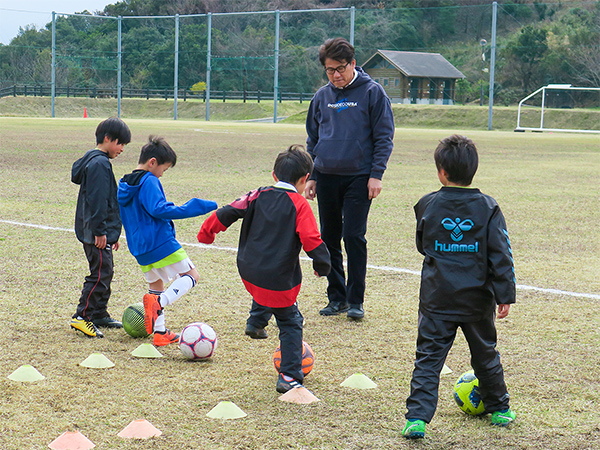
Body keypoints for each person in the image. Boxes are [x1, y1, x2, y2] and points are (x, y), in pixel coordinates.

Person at [403, 135, 516, 439]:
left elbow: (422, 244)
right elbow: (501, 253)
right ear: (473, 170)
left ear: (441, 171)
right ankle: (500, 409)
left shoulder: (427, 204)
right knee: (485, 355)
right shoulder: (488, 207)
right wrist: (505, 293)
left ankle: (416, 419)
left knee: (428, 359)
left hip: (437, 299)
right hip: (477, 301)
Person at [198, 145, 331, 393]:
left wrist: (207, 233)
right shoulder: (300, 205)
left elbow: (228, 211)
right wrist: (322, 265)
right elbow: (312, 239)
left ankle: (256, 323)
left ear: (274, 175)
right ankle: (290, 376)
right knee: (291, 321)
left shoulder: (256, 194)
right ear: (304, 180)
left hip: (249, 270)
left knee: (264, 289)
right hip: (278, 278)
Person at [305, 37, 394, 320]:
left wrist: (376, 175)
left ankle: (356, 300)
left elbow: (384, 137)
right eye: (330, 70)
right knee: (329, 238)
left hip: (359, 176)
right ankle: (337, 298)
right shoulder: (321, 97)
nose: (335, 75)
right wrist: (312, 176)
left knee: (353, 236)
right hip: (327, 176)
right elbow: (313, 139)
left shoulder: (373, 92)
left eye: (340, 68)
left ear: (353, 64)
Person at [117, 136, 217, 346]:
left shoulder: (124, 183)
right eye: (164, 169)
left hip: (139, 247)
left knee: (156, 284)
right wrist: (197, 206)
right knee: (192, 275)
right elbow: (158, 209)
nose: (162, 174)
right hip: (160, 242)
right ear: (152, 162)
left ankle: (160, 332)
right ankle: (159, 303)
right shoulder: (150, 180)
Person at [70, 117, 131, 338]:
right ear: (107, 139)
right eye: (120, 143)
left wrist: (111, 232)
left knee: (106, 270)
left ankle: (98, 313)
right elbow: (97, 200)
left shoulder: (95, 160)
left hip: (97, 229)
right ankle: (82, 316)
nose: (122, 149)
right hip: (95, 231)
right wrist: (101, 232)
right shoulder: (99, 164)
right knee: (99, 273)